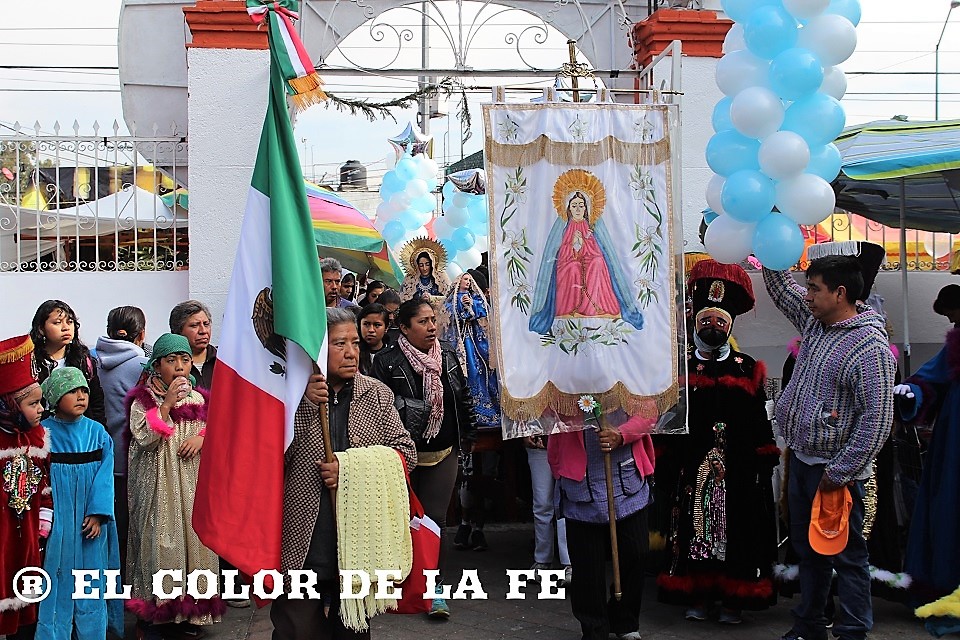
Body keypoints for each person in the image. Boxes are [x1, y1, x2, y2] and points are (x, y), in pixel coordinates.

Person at [764, 256, 896, 640]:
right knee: (809, 552)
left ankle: (853, 631)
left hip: (835, 473)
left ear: (840, 294)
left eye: (814, 288)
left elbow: (877, 420)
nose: (806, 295)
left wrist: (838, 473)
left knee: (848, 556)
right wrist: (767, 246)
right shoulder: (815, 322)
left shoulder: (869, 347)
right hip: (802, 461)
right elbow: (781, 290)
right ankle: (809, 625)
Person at [271, 308, 417, 640]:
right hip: (304, 535)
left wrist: (350, 470)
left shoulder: (376, 394)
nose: (351, 352)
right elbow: (272, 457)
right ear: (319, 349)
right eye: (340, 344)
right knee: (298, 629)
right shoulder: (289, 394)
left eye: (355, 343)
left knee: (352, 630)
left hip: (358, 538)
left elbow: (405, 453)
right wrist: (305, 405)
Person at [656, 260, 779, 624]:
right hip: (692, 467)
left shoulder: (746, 367)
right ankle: (697, 595)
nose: (713, 326)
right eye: (706, 320)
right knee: (694, 528)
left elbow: (759, 420)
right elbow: (668, 420)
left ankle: (732, 599)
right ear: (696, 322)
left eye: (720, 322)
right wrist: (667, 461)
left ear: (730, 326)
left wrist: (763, 457)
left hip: (738, 471)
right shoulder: (680, 368)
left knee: (739, 531)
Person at [370, 299, 478, 619]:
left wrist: (468, 435)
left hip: (444, 451)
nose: (432, 327)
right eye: (423, 322)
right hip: (401, 455)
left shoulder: (448, 354)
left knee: (434, 521)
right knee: (401, 520)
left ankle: (434, 589)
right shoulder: (387, 361)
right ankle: (401, 585)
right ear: (404, 328)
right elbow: (380, 408)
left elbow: (463, 396)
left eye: (433, 320)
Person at [125, 333, 224, 640]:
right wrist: (166, 404)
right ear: (157, 366)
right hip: (158, 486)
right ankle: (156, 616)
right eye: (171, 360)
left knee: (193, 542)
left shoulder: (199, 399)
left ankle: (189, 613)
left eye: (185, 359)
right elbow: (145, 437)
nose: (180, 366)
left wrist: (202, 438)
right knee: (160, 542)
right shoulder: (143, 400)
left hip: (191, 483)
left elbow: (216, 429)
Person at [548, 409, 656, 640]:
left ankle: (625, 620)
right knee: (587, 566)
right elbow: (549, 412)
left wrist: (622, 434)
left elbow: (649, 411)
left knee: (636, 552)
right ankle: (594, 629)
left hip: (626, 476)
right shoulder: (562, 385)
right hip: (580, 482)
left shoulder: (631, 382)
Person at [36, 367, 122, 640]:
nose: (81, 396)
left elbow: (105, 475)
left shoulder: (97, 433)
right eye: (72, 391)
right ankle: (54, 632)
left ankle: (93, 632)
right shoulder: (43, 434)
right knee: (57, 573)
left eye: (84, 390)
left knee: (91, 576)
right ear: (55, 397)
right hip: (59, 518)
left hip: (90, 520)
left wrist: (98, 513)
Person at [894, 284, 960, 610]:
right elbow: (929, 378)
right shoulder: (957, 344)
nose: (950, 321)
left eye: (951, 314)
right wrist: (912, 393)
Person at [529, 181, 643, 335]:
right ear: (568, 208)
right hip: (569, 262)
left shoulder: (591, 227)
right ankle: (571, 307)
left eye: (581, 205)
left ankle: (597, 305)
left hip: (590, 260)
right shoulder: (565, 227)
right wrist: (573, 246)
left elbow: (598, 252)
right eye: (574, 205)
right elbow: (560, 255)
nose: (577, 209)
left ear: (586, 208)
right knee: (573, 267)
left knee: (598, 262)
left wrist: (586, 242)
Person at [440, 272, 502, 552]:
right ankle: (465, 523)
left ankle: (477, 525)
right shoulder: (452, 301)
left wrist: (472, 308)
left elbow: (483, 318)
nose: (465, 284)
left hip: (477, 348)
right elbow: (449, 319)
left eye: (468, 280)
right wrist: (460, 307)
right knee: (464, 472)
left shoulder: (477, 300)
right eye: (462, 280)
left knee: (479, 372)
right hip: (461, 347)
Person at [0, 335, 52, 640]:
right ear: (9, 405)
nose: (41, 409)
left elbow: (44, 484)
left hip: (29, 531)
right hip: (2, 530)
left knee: (25, 584)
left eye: (40, 402)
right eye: (32, 404)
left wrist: (45, 518)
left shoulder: (39, 436)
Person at [95, 305, 148, 566]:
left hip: (103, 456)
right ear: (142, 334)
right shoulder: (142, 366)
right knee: (135, 529)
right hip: (134, 456)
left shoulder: (92, 361)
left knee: (111, 527)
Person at [29, 300, 106, 426]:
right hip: (41, 430)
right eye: (57, 322)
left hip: (79, 432)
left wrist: (99, 431)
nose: (65, 328)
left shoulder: (83, 360)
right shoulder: (31, 363)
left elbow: (96, 402)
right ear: (41, 329)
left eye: (70, 322)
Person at [524, 431, 571, 584]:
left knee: (567, 500)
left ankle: (569, 562)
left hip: (567, 438)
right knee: (542, 503)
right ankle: (542, 560)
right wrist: (524, 431)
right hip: (538, 439)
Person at [169, 299, 218, 391]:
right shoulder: (168, 365)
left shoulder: (223, 360)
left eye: (206, 324)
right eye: (194, 325)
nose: (203, 331)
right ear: (177, 331)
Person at [398, 238, 452, 304]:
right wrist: (420, 300)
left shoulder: (441, 277)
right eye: (421, 265)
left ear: (432, 264)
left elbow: (450, 298)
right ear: (416, 265)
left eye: (427, 264)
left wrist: (432, 299)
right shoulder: (409, 279)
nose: (425, 268)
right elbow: (403, 301)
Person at [357, 303, 390, 375]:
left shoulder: (393, 354)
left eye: (377, 325)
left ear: (386, 328)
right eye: (366, 324)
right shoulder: (354, 353)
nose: (371, 330)